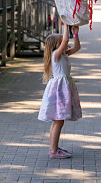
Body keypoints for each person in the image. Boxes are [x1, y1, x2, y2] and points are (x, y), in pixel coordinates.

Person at [38, 23, 82, 159]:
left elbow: (77, 47)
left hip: (63, 88)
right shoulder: (56, 55)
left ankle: (54, 147)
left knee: (57, 121)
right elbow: (65, 40)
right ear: (56, 45)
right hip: (59, 90)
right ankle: (53, 150)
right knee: (58, 121)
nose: (65, 44)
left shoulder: (63, 54)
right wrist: (65, 25)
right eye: (61, 42)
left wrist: (75, 33)